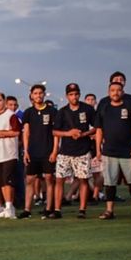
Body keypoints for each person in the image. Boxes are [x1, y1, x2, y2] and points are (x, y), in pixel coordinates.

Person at [95, 81, 131, 220]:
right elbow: (99, 130)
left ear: (122, 92)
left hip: (128, 151)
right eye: (112, 90)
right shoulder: (104, 108)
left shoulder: (130, 107)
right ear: (109, 92)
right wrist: (98, 149)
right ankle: (109, 211)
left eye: (118, 90)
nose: (115, 92)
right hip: (109, 152)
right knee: (110, 183)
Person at [52, 83, 95, 219]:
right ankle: (57, 209)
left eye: (76, 94)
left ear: (79, 94)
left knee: (83, 180)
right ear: (67, 96)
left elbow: (96, 127)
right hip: (65, 151)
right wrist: (69, 133)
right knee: (59, 180)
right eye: (71, 94)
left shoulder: (87, 109)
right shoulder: (62, 111)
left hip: (83, 150)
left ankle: (82, 209)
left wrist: (84, 134)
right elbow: (54, 131)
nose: (74, 97)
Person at [19, 84, 57, 219]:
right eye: (35, 93)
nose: (38, 95)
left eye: (40, 93)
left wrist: (54, 151)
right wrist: (26, 150)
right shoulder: (28, 112)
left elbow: (55, 133)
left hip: (47, 150)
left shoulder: (52, 111)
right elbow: (26, 133)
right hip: (33, 151)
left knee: (48, 178)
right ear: (31, 95)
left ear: (44, 94)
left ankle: (48, 209)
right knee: (30, 179)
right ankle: (27, 209)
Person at [0, 92, 22, 218]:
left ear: (4, 101)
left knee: (8, 181)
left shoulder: (11, 115)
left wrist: (2, 133)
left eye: (0, 101)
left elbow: (16, 132)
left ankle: (9, 207)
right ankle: (4, 206)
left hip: (9, 153)